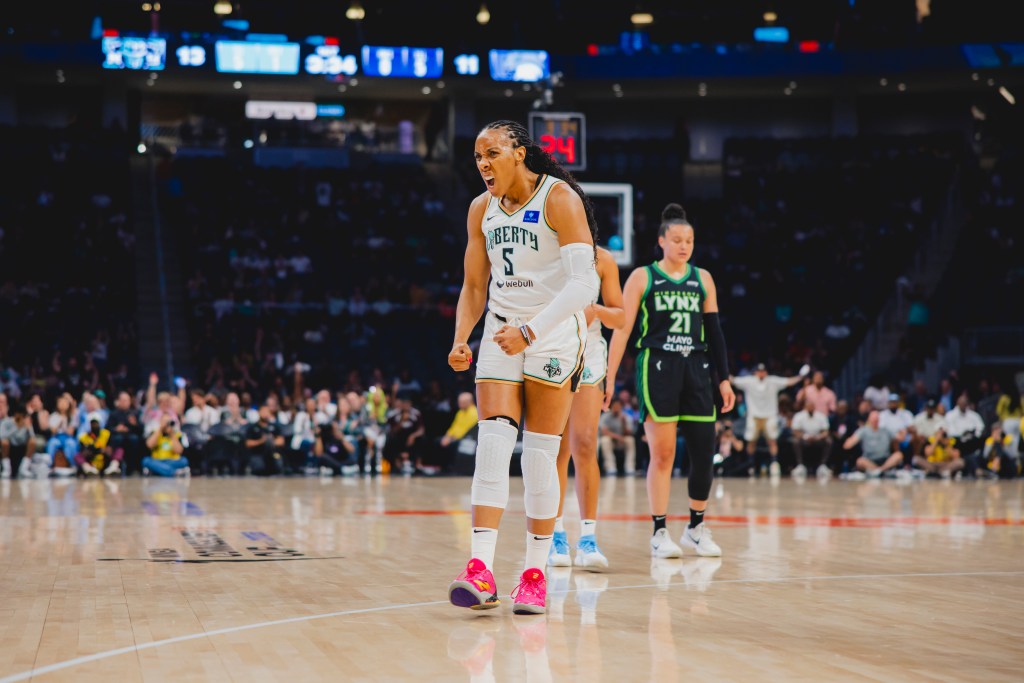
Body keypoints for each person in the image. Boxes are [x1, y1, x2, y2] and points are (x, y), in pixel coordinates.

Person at [446, 119, 599, 615]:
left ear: (519, 152)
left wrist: (531, 332)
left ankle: (533, 574)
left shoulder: (559, 199)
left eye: (491, 153)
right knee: (492, 441)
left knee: (539, 453)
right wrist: (461, 337)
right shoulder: (480, 209)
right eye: (477, 157)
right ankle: (480, 570)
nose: (483, 164)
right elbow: (473, 286)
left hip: (552, 334)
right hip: (499, 329)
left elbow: (584, 285)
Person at [605, 203, 736, 560]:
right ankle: (659, 530)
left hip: (697, 368)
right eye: (677, 239)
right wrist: (610, 374)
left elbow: (715, 333)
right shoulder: (643, 277)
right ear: (662, 241)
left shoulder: (702, 278)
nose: (684, 246)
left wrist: (724, 380)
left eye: (689, 240)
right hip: (657, 367)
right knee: (663, 455)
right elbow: (622, 328)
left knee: (703, 455)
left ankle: (695, 527)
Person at [549, 245, 625, 570]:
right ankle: (554, 534)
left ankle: (588, 538)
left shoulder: (603, 259)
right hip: (551, 348)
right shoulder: (547, 250)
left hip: (590, 350)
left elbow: (620, 316)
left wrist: (597, 311)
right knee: (555, 447)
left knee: (584, 443)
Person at [730, 363, 809, 477]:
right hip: (754, 416)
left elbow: (789, 382)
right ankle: (751, 465)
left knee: (772, 441)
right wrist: (721, 370)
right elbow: (733, 380)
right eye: (759, 371)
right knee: (752, 441)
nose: (761, 373)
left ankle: (774, 463)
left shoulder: (773, 381)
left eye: (763, 371)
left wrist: (800, 377)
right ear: (755, 372)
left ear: (766, 372)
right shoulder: (749, 381)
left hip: (769, 416)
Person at [842, 411, 903, 478]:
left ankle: (881, 470)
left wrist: (903, 431)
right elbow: (848, 444)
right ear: (869, 419)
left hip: (885, 460)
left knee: (898, 455)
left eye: (876, 419)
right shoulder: (863, 430)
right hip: (870, 460)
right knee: (860, 461)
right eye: (873, 419)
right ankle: (879, 471)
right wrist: (850, 441)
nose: (875, 421)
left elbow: (900, 438)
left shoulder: (885, 430)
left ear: (879, 420)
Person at [790, 401, 833, 480]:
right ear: (805, 407)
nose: (810, 408)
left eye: (812, 406)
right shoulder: (799, 416)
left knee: (828, 441)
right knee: (795, 441)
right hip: (804, 439)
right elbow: (795, 431)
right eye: (808, 406)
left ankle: (822, 466)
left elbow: (826, 431)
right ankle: (800, 466)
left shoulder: (821, 416)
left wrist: (818, 437)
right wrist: (805, 437)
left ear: (814, 407)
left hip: (817, 439)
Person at [597, 397, 636, 477]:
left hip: (622, 440)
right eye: (615, 406)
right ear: (611, 406)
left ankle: (629, 467)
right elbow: (604, 431)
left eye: (618, 406)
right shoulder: (605, 416)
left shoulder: (625, 416)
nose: (616, 408)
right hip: (611, 440)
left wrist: (624, 423)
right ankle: (610, 467)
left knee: (630, 440)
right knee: (605, 440)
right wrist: (617, 437)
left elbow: (629, 433)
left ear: (621, 407)